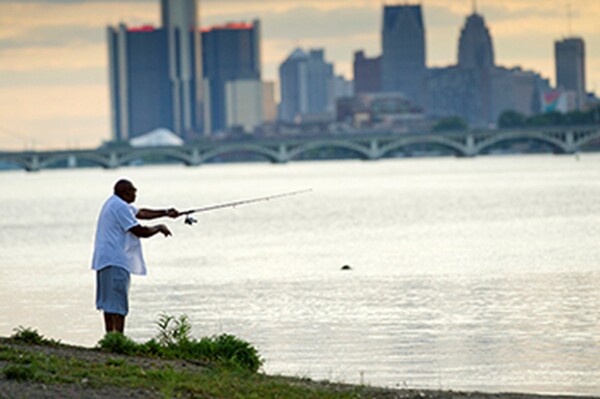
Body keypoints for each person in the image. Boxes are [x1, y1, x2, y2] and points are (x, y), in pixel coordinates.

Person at [91, 179, 180, 334]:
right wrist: (159, 228)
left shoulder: (114, 203)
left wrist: (166, 212)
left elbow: (141, 213)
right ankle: (118, 339)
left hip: (104, 260)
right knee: (118, 304)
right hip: (115, 260)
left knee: (108, 304)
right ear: (126, 192)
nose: (135, 195)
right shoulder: (119, 207)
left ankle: (110, 338)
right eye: (134, 191)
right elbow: (140, 231)